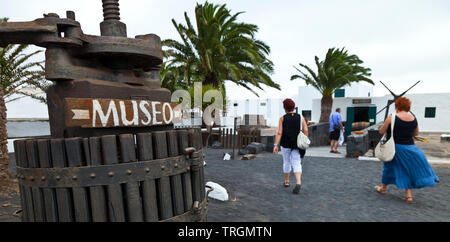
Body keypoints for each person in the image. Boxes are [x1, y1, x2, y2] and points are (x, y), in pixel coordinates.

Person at [374, 97, 439, 203]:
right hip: (410, 148)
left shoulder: (392, 117)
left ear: (397, 106)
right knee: (407, 169)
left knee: (388, 167)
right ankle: (408, 196)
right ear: (408, 107)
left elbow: (381, 131)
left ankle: (383, 189)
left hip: (395, 148)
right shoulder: (413, 118)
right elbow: (416, 134)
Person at [273, 98, 309, 194]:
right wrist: (304, 139)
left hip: (285, 144)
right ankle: (298, 182)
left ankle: (287, 181)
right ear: (293, 107)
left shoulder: (282, 118)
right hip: (297, 144)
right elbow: (305, 130)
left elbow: (279, 132)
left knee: (286, 162)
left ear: (285, 107)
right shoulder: (300, 117)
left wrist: (275, 145)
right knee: (297, 162)